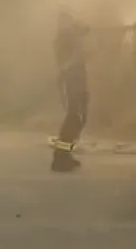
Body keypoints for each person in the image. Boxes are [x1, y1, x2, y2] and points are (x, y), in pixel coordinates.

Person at [51, 12, 91, 173]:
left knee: (80, 119)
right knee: (74, 118)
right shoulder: (63, 41)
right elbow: (71, 60)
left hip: (79, 82)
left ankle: (65, 153)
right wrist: (79, 37)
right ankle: (60, 157)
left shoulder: (71, 38)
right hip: (72, 83)